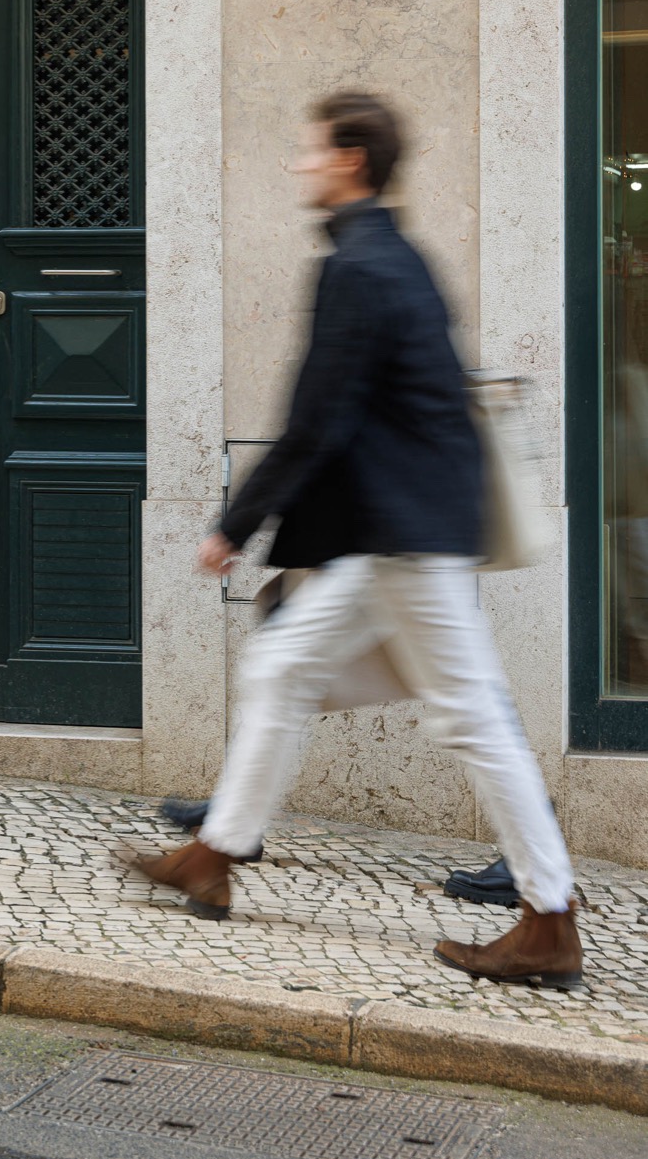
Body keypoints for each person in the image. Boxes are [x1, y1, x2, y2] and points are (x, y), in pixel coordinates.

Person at [127, 92, 582, 988]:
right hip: (399, 533)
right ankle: (214, 858)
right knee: (283, 670)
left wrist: (235, 523)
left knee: (475, 719)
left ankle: (551, 918)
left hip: (403, 540)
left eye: (310, 151)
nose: (300, 164)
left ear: (350, 162)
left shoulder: (363, 268)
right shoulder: (394, 257)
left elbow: (316, 418)